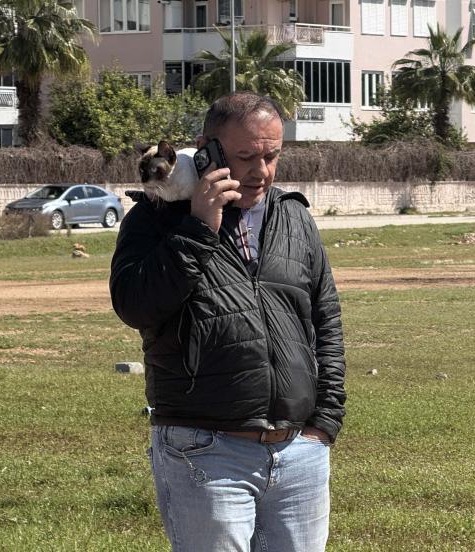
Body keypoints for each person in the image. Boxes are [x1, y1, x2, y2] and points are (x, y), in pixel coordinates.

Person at [109, 92, 346, 552]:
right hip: (204, 450)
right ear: (207, 150)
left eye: (272, 156)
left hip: (300, 452)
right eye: (245, 157)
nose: (262, 171)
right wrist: (198, 227)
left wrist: (324, 422)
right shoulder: (154, 219)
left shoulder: (294, 216)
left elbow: (326, 321)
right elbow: (135, 306)